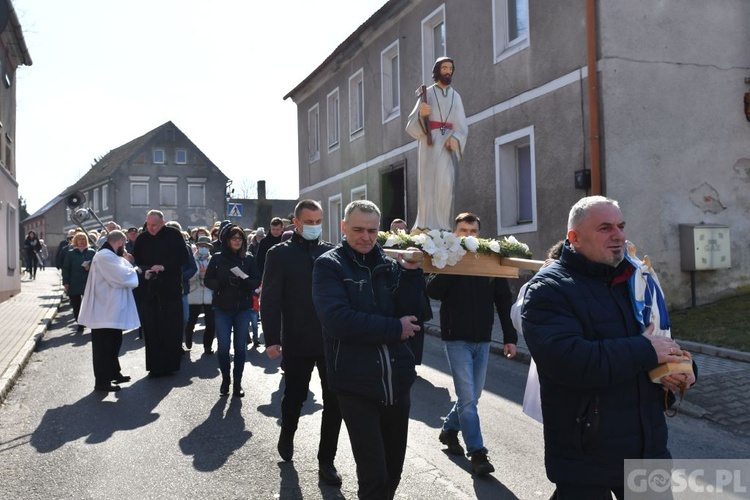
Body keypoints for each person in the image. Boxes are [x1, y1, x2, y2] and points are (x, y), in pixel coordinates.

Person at [521, 196, 696, 499]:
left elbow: (659, 341)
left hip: (647, 451)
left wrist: (684, 371)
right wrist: (645, 351)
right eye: (605, 228)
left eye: (621, 226)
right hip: (586, 457)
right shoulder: (548, 289)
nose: (618, 235)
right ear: (574, 238)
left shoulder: (635, 280)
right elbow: (569, 361)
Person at [312, 200, 429, 499]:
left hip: (397, 384)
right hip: (355, 386)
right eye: (358, 230)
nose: (366, 237)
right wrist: (393, 328)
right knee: (374, 477)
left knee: (393, 472)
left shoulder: (390, 265)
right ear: (343, 228)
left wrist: (413, 274)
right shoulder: (329, 265)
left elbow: (412, 315)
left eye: (372, 230)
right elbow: (339, 321)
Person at [426, 212, 517, 476]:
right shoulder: (447, 257)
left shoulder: (488, 261)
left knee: (472, 397)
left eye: (473, 231)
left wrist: (510, 338)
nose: (468, 236)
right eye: (463, 231)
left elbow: (503, 301)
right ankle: (477, 453)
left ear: (480, 234)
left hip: (483, 338)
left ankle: (448, 431)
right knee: (468, 399)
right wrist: (454, 262)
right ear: (455, 233)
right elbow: (432, 291)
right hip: (456, 339)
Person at [260, 200, 343, 485]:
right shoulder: (279, 254)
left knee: (335, 401)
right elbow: (269, 300)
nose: (314, 226)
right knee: (295, 396)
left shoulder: (332, 252)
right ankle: (288, 431)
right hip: (296, 339)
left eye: (318, 221)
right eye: (309, 221)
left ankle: (326, 461)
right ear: (295, 223)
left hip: (331, 341)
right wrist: (271, 339)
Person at [406, 56, 468, 231]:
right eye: (444, 68)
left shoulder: (456, 97)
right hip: (429, 144)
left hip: (447, 144)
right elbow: (411, 124)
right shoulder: (428, 93)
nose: (448, 71)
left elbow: (462, 125)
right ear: (437, 71)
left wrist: (455, 138)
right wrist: (421, 113)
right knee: (428, 183)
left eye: (450, 68)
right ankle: (426, 224)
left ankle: (443, 225)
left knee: (446, 183)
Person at [77, 230, 140, 392]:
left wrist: (127, 261)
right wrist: (137, 270)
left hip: (110, 309)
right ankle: (102, 382)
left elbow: (121, 266)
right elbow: (121, 277)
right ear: (119, 242)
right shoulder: (104, 255)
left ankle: (114, 373)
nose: (124, 247)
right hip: (103, 309)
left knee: (113, 343)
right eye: (124, 244)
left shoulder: (110, 255)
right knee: (103, 347)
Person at [204, 224, 261, 397]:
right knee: (223, 348)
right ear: (227, 240)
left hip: (243, 308)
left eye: (240, 238)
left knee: (240, 348)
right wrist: (219, 283)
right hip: (222, 308)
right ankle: (225, 379)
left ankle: (237, 383)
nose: (237, 241)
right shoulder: (218, 258)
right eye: (233, 238)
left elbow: (256, 280)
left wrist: (244, 282)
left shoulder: (249, 259)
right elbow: (208, 279)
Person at [132, 210, 189, 377]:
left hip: (170, 289)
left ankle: (170, 365)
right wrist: (145, 270)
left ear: (162, 223)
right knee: (152, 328)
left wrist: (164, 267)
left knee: (171, 327)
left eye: (154, 225)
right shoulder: (142, 238)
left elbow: (182, 257)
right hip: (149, 290)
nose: (151, 228)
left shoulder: (173, 235)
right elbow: (138, 260)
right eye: (148, 224)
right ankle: (155, 367)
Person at [186, 236, 216, 354]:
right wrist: (199, 274)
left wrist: (207, 277)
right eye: (201, 246)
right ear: (197, 246)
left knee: (211, 323)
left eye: (206, 246)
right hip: (194, 294)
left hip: (209, 295)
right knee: (191, 320)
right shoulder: (191, 260)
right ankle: (188, 336)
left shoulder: (213, 260)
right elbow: (187, 277)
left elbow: (216, 277)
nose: (203, 248)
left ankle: (207, 346)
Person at [62, 231, 96, 333]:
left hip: (88, 282)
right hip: (74, 282)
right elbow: (66, 268)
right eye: (79, 239)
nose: (82, 241)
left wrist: (90, 268)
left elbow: (98, 267)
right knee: (76, 304)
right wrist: (66, 282)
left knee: (88, 303)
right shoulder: (70, 253)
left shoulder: (92, 252)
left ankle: (88, 321)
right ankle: (80, 323)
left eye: (83, 239)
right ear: (75, 241)